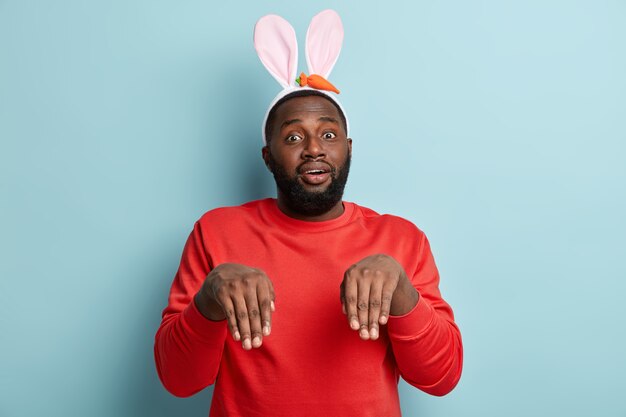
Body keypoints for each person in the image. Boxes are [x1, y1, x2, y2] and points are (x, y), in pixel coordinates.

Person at [154, 10, 462, 417]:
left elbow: (440, 378)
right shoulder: (215, 233)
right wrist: (209, 298)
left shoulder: (402, 240)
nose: (314, 148)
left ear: (349, 148)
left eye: (329, 135)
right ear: (267, 156)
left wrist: (403, 293)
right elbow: (179, 380)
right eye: (294, 136)